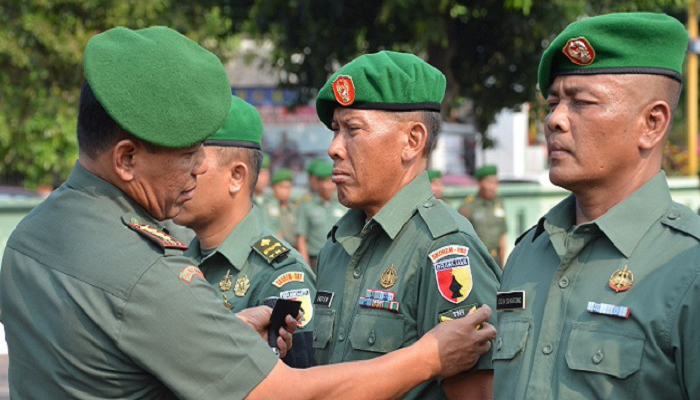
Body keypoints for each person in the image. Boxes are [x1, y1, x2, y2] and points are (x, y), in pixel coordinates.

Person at [0, 26, 497, 400]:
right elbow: (284, 392)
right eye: (185, 153)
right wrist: (429, 356)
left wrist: (229, 338)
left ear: (413, 141)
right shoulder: (144, 268)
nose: (198, 168)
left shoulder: (32, 235)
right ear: (127, 159)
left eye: (353, 130)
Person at [493, 13, 700, 400]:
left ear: (651, 124)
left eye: (581, 102)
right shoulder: (528, 254)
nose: (555, 119)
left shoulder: (689, 267)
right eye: (553, 102)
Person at [314, 50, 501, 400]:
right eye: (336, 130)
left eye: (352, 129)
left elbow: (476, 394)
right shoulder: (338, 245)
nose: (334, 148)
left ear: (412, 141)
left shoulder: (445, 249)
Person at [172, 95, 316, 368]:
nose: (180, 176)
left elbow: (300, 386)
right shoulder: (179, 261)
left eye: (193, 163)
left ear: (236, 176)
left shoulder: (279, 276)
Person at [295, 160, 345, 268]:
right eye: (324, 181)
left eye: (330, 181)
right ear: (318, 183)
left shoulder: (344, 204)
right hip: (315, 258)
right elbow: (301, 238)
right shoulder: (306, 205)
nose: (328, 186)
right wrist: (305, 264)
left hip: (340, 257)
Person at [458, 165, 507, 267]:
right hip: (477, 259)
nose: (493, 187)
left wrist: (503, 262)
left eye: (495, 182)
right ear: (480, 183)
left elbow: (502, 235)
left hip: (496, 258)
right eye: (489, 182)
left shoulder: (499, 202)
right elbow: (461, 238)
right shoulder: (468, 206)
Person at [266, 167, 299, 246]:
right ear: (273, 188)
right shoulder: (267, 207)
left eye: (288, 187)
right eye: (281, 187)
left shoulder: (294, 207)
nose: (285, 191)